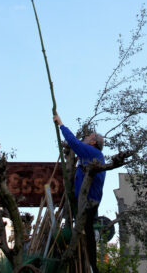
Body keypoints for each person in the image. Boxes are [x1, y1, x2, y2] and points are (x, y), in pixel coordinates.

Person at [53, 114, 105, 273]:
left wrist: (61, 124)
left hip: (88, 200)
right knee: (88, 233)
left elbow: (73, 143)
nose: (86, 137)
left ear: (93, 142)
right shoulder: (88, 157)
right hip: (87, 200)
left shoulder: (92, 153)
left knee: (87, 234)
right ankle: (93, 267)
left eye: (89, 136)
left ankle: (93, 267)